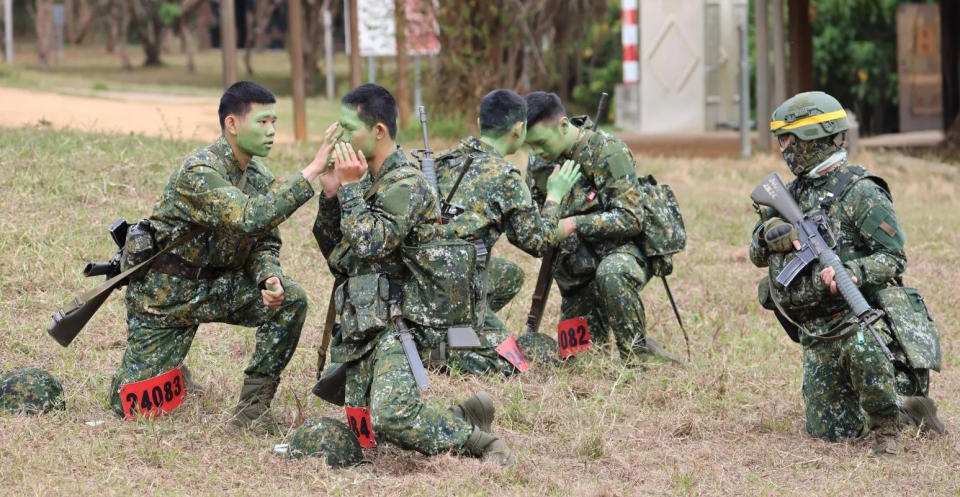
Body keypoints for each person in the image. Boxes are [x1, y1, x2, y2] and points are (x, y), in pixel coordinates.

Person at [108, 81, 332, 434]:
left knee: (292, 301)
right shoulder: (199, 171)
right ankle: (173, 370)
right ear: (232, 124)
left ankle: (252, 410)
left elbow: (263, 240)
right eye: (262, 122)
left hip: (220, 287)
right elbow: (249, 216)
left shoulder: (257, 175)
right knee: (131, 406)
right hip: (169, 296)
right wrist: (313, 170)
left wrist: (267, 277)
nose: (272, 131)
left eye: (274, 121)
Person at [311, 83, 514, 465]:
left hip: (400, 322)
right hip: (365, 321)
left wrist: (352, 190)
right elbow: (339, 258)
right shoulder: (366, 178)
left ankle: (480, 441)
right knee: (366, 431)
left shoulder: (405, 184)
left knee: (389, 417)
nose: (338, 141)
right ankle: (459, 416)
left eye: (346, 129)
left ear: (378, 131)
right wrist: (332, 196)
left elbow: (371, 244)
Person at [750, 91, 945, 455]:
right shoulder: (790, 193)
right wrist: (768, 236)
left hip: (859, 318)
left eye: (787, 139)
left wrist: (853, 271)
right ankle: (895, 407)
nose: (782, 149)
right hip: (818, 330)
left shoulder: (862, 192)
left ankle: (901, 412)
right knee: (831, 433)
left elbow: (894, 258)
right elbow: (756, 254)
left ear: (814, 138)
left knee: (863, 343)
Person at [523, 91, 679, 363]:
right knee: (578, 361)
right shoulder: (539, 164)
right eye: (530, 145)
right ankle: (641, 350)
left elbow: (631, 218)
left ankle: (636, 356)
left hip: (622, 254)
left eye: (540, 142)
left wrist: (574, 223)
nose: (537, 152)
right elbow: (539, 221)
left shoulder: (609, 151)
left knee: (612, 273)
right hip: (577, 274)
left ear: (562, 125)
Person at [433, 89, 580, 375]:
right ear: (519, 129)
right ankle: (449, 351)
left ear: (479, 123)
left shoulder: (442, 162)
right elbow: (537, 241)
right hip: (456, 290)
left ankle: (464, 330)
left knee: (510, 275)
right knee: (522, 359)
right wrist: (555, 197)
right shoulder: (506, 177)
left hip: (428, 279)